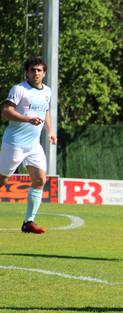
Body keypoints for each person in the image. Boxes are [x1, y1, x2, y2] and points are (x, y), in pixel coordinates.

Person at [0, 56, 56, 234]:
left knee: (40, 180)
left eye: (39, 70)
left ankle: (29, 222)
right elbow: (6, 112)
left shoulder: (47, 91)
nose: (36, 73)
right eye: (33, 70)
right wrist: (27, 119)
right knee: (2, 181)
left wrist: (50, 130)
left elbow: (45, 111)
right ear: (27, 72)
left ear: (44, 73)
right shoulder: (19, 89)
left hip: (34, 145)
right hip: (15, 144)